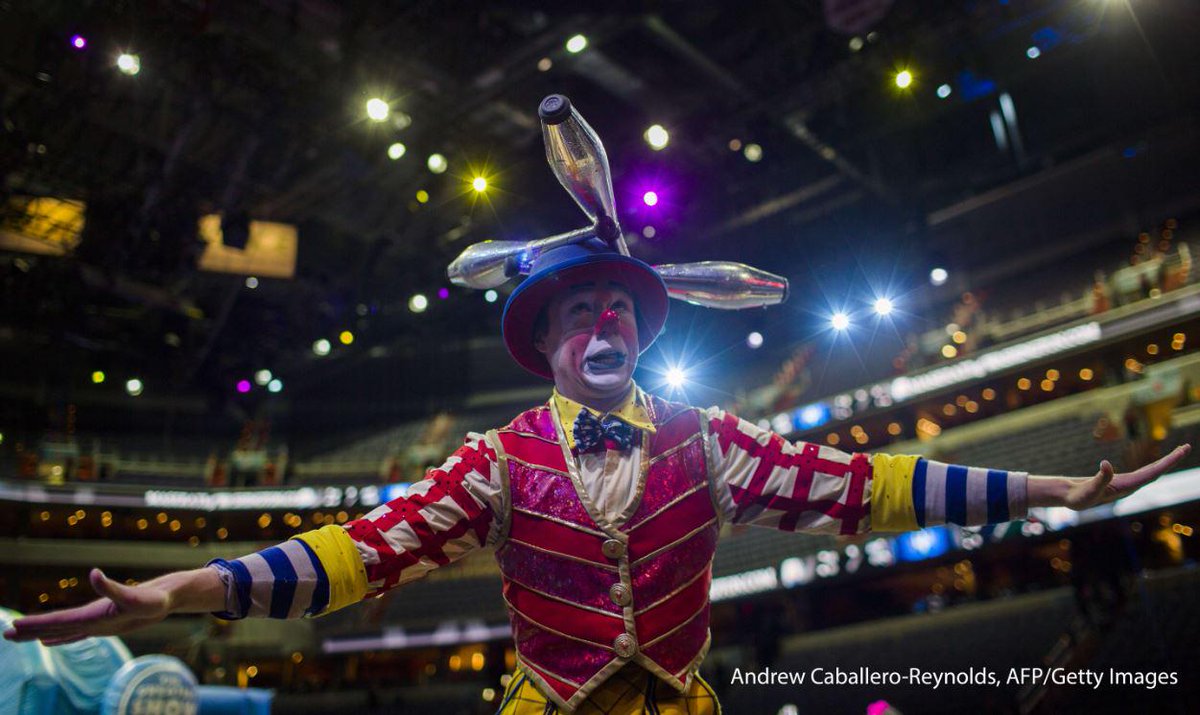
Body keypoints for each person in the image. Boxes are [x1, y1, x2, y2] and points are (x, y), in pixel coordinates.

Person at [4, 239, 1191, 715]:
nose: (605, 320)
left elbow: (872, 486)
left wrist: (1053, 493)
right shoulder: (494, 463)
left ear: (640, 334)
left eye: (620, 307)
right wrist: (180, 591)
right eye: (582, 311)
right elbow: (355, 555)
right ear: (552, 344)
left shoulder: (709, 440)